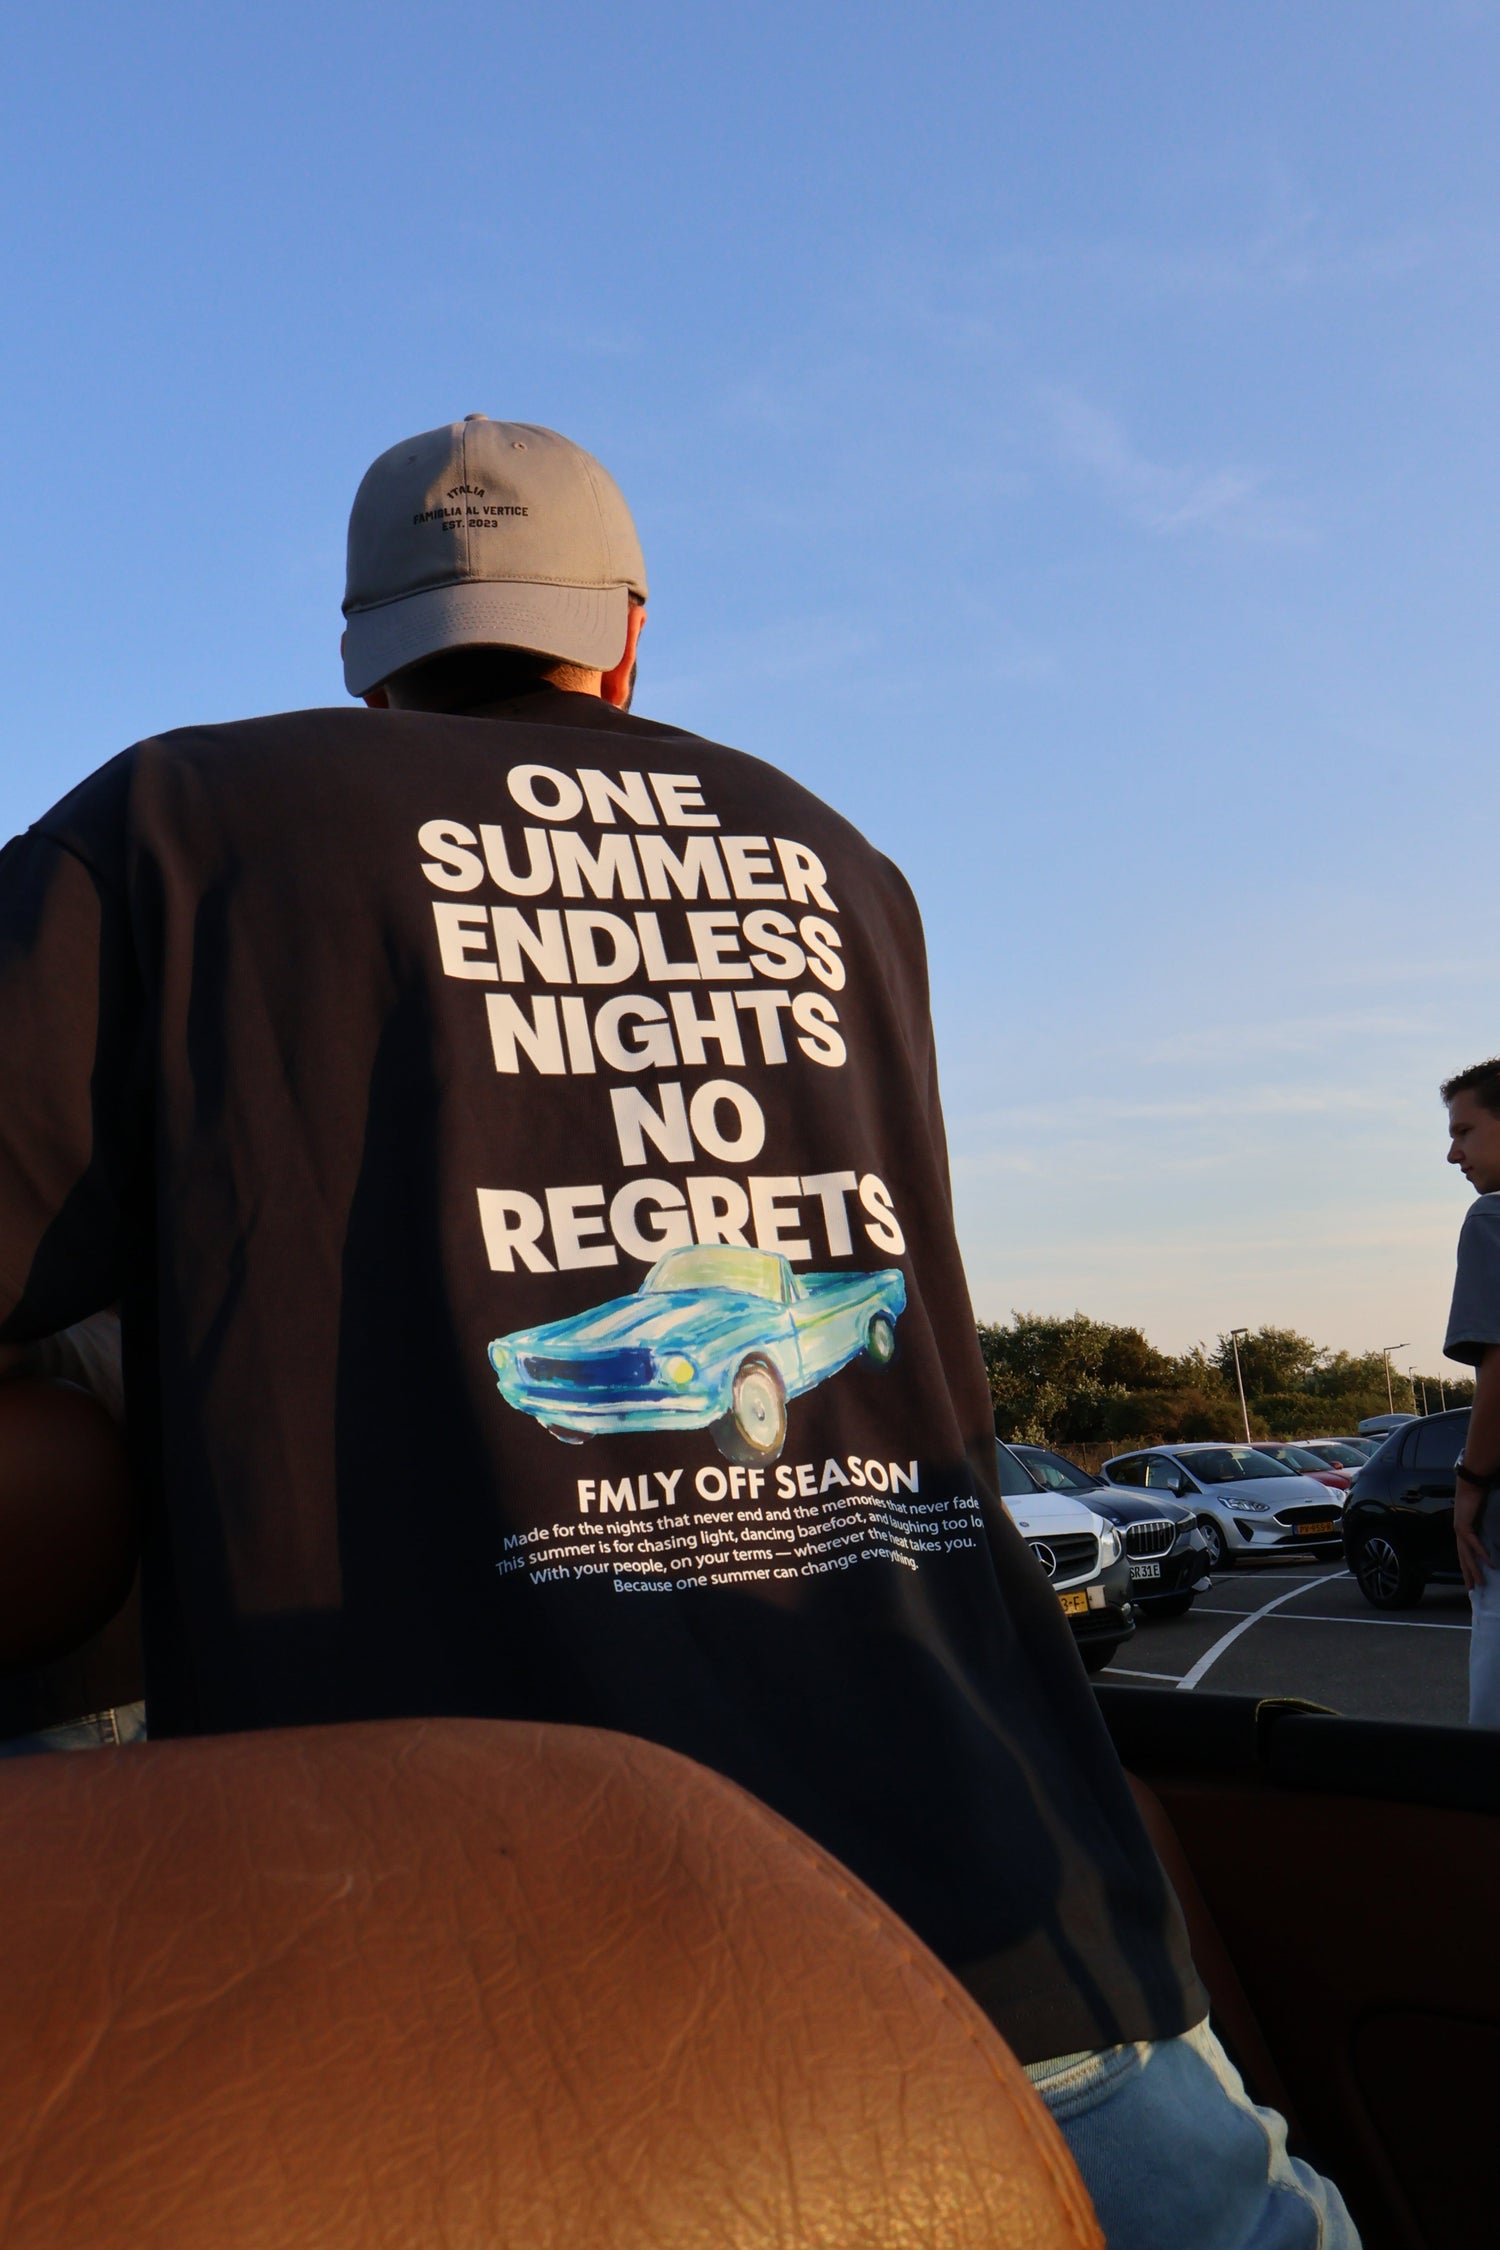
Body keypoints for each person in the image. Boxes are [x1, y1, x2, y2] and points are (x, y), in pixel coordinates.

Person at [0, 416, 1356, 2244]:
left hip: (465, 1978)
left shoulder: (177, 829)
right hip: (995, 1903)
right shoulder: (837, 858)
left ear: (364, 657)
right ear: (626, 636)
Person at [1442, 1057, 1500, 1727]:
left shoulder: (1491, 1219)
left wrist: (1470, 1488)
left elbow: (1499, 1373)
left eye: (1465, 1132)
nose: (1453, 1154)